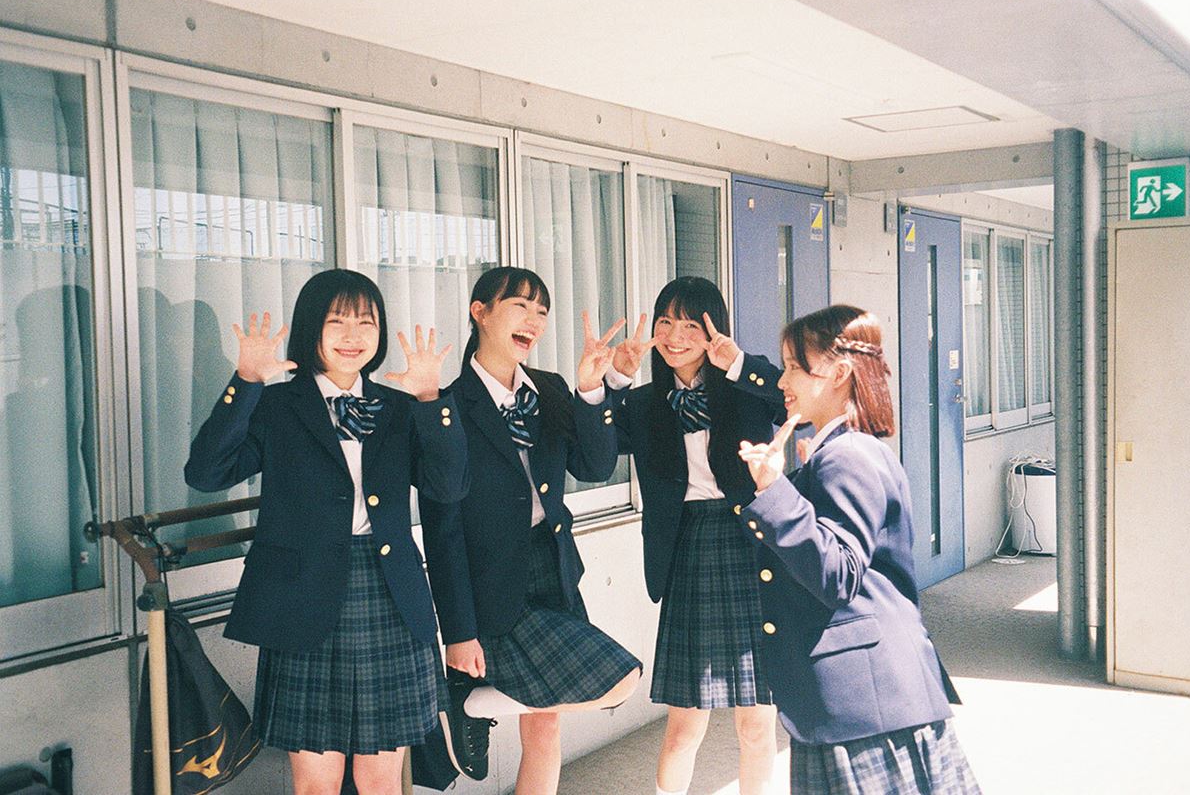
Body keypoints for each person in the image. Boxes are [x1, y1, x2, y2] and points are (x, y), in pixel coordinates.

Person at [184, 269, 468, 795]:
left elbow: (448, 487)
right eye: (337, 321)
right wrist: (245, 381)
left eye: (366, 321)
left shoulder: (399, 406)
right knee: (318, 782)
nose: (352, 335)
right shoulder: (276, 404)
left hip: (389, 594)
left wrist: (432, 400)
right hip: (302, 599)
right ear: (311, 328)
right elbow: (205, 474)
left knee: (380, 779)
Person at [737, 304, 980, 795]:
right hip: (861, 701)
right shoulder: (841, 451)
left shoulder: (847, 455)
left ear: (840, 373)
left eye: (794, 367)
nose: (782, 381)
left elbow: (838, 574)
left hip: (864, 704)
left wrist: (775, 489)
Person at [421, 266, 642, 795]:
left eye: (541, 311)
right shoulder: (448, 405)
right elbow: (442, 531)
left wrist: (593, 390)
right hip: (491, 583)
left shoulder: (550, 389)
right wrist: (458, 632)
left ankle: (470, 700)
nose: (534, 321)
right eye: (520, 306)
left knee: (545, 725)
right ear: (480, 312)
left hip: (553, 565)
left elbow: (594, 466)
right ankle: (466, 697)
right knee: (619, 676)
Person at [606, 276, 784, 795]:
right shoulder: (644, 403)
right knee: (685, 725)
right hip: (689, 546)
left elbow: (790, 401)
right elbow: (594, 447)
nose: (676, 336)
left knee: (757, 723)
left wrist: (738, 362)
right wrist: (614, 379)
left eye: (690, 325)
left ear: (713, 331)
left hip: (751, 545)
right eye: (666, 323)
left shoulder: (743, 389)